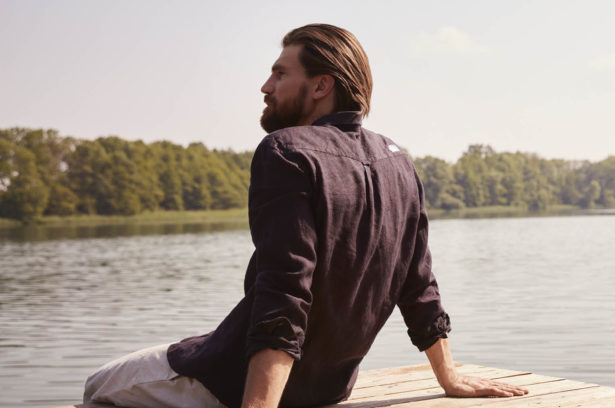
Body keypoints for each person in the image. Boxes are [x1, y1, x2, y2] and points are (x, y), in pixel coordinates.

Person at [78, 23, 527, 408]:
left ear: (320, 85)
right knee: (192, 344)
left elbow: (286, 289)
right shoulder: (399, 161)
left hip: (232, 383)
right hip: (328, 389)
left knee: (97, 386)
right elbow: (419, 282)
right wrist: (448, 379)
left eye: (279, 72)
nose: (265, 86)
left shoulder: (285, 150)